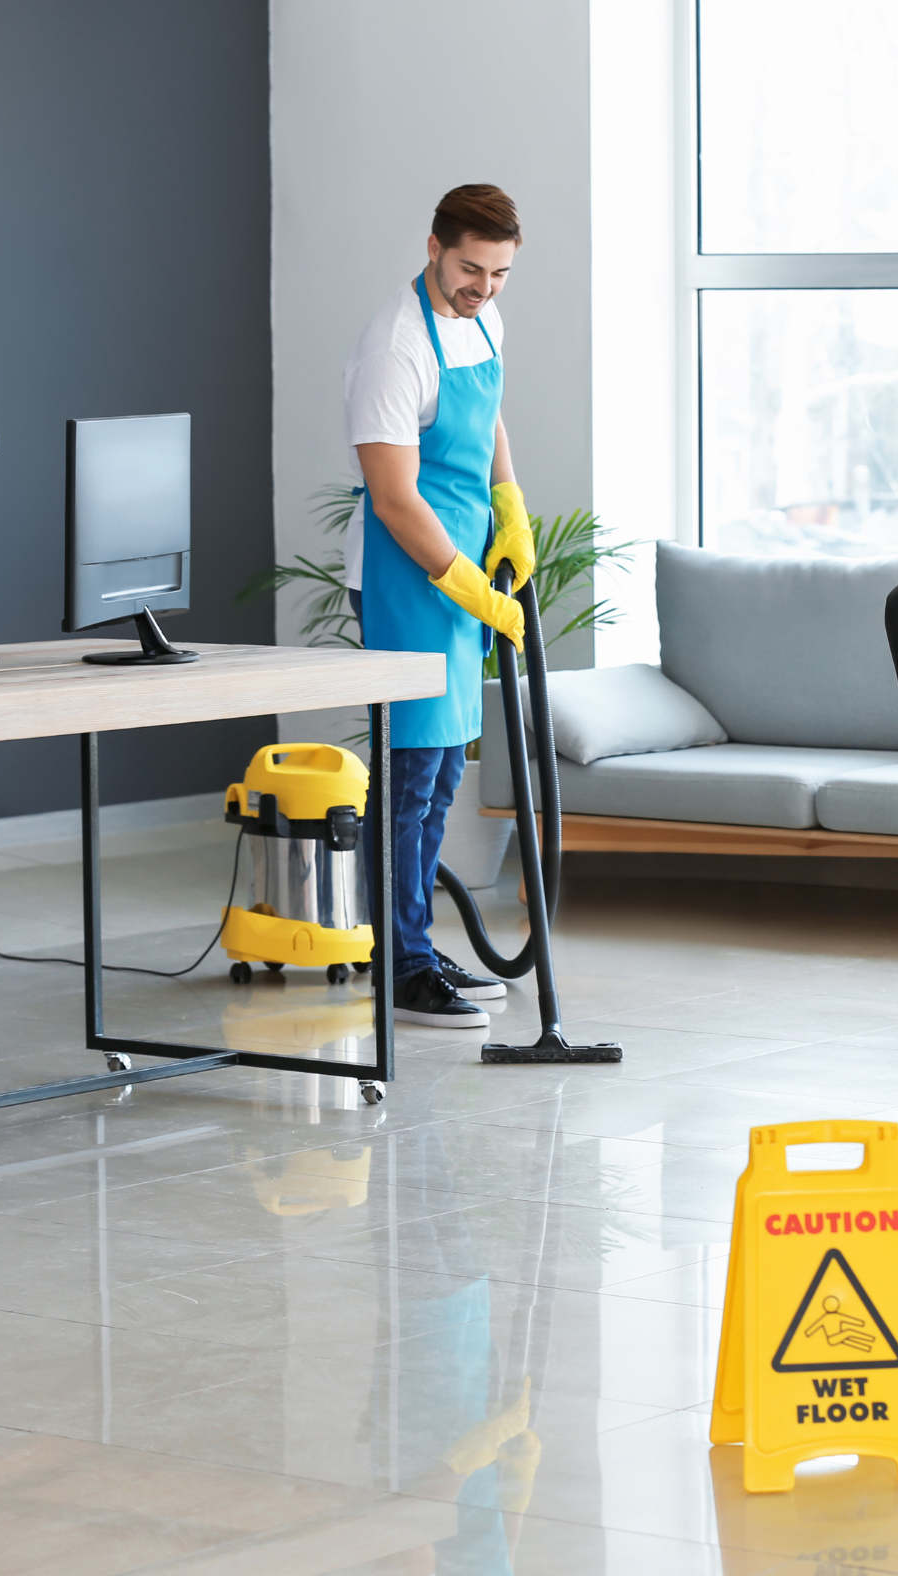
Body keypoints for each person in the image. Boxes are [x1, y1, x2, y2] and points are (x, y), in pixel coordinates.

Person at [344, 185, 535, 1029]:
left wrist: (512, 503)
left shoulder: (482, 316)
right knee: (412, 775)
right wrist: (463, 586)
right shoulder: (394, 345)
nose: (484, 287)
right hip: (406, 574)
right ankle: (399, 964)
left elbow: (488, 415)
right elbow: (392, 497)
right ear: (432, 247)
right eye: (469, 268)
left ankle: (417, 943)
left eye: (498, 273)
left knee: (447, 771)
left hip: (463, 565)